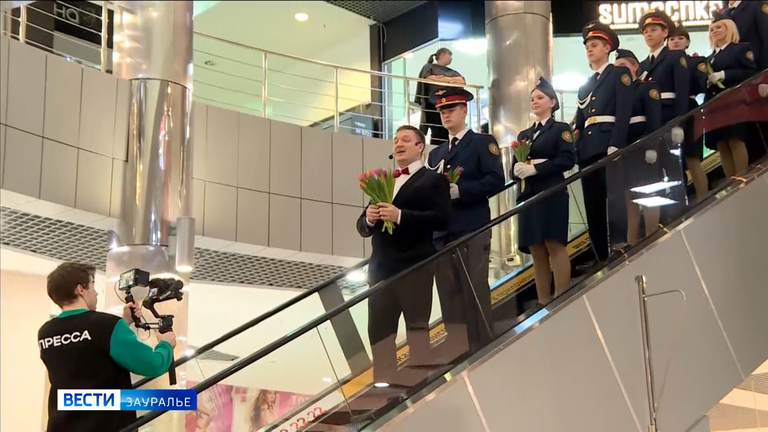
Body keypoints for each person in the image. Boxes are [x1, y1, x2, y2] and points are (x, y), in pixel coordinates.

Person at [357, 125, 451, 385]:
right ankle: (384, 390)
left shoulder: (433, 180)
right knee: (379, 333)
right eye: (396, 140)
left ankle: (420, 387)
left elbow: (442, 219)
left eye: (406, 140)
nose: (398, 144)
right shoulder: (383, 182)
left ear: (420, 147)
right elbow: (362, 227)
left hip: (414, 267)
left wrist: (400, 216)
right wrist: (369, 218)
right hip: (380, 270)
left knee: (417, 329)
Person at [38, 262, 176, 432]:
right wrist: (166, 345)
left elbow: (85, 353)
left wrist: (124, 323)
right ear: (80, 289)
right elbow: (152, 364)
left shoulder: (46, 333)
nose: (96, 293)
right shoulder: (107, 325)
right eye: (92, 285)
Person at [425, 86, 505, 356]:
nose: (445, 115)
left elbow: (496, 180)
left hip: (471, 227)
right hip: (442, 232)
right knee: (448, 295)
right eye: (441, 111)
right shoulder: (436, 154)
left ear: (463, 110)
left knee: (474, 289)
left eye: (450, 109)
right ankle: (457, 349)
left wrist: (462, 191)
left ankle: (482, 346)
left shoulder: (482, 142)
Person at [512, 77, 576, 305]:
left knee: (553, 243)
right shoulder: (524, 135)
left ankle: (561, 296)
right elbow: (515, 167)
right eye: (532, 99)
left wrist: (536, 169)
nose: (535, 102)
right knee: (536, 248)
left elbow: (567, 159)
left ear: (552, 102)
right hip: (529, 193)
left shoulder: (560, 129)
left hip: (551, 191)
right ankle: (543, 301)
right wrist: (516, 169)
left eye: (540, 97)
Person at [573, 21, 632, 263]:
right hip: (588, 150)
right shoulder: (584, 85)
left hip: (608, 144)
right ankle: (600, 255)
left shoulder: (619, 74)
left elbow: (624, 111)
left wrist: (616, 143)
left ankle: (618, 246)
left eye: (594, 44)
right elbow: (579, 124)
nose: (589, 49)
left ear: (607, 48)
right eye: (587, 46)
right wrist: (576, 150)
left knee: (613, 200)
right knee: (593, 205)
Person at [637, 11, 704, 203]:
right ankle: (667, 210)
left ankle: (681, 205)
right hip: (652, 121)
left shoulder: (674, 57)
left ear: (665, 32)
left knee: (675, 166)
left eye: (653, 30)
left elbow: (681, 92)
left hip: (669, 115)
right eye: (645, 32)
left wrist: (678, 123)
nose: (649, 34)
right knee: (656, 169)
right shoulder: (642, 65)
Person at [613, 48, 664, 246]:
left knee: (649, 196)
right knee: (630, 200)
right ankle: (632, 243)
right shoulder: (616, 93)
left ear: (634, 67)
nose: (619, 70)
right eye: (616, 67)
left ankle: (652, 240)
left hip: (643, 150)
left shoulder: (645, 88)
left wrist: (652, 147)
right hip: (626, 151)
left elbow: (654, 120)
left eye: (623, 65)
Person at [704, 11, 758, 177]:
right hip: (714, 104)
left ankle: (742, 180)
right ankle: (731, 181)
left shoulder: (740, 49)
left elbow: (750, 73)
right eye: (711, 29)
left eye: (718, 27)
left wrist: (724, 75)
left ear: (729, 28)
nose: (714, 31)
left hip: (733, 100)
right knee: (721, 144)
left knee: (735, 140)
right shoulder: (709, 58)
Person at [667, 23, 710, 201]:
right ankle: (680, 202)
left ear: (688, 42)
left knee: (692, 158)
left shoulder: (695, 62)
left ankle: (703, 199)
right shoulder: (663, 64)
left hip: (690, 111)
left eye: (680, 38)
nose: (676, 41)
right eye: (672, 39)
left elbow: (702, 85)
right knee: (673, 163)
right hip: (669, 113)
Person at [416, 48, 465, 146]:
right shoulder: (429, 67)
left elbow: (461, 81)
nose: (451, 59)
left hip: (449, 104)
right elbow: (429, 79)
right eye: (450, 56)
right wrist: (451, 80)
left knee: (448, 131)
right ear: (442, 55)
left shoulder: (453, 72)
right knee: (437, 132)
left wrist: (441, 79)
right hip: (433, 106)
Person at [724, 0, 768, 71]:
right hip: (734, 70)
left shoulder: (756, 5)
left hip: (756, 67)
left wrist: (764, 70)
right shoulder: (725, 13)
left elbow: (766, 36)